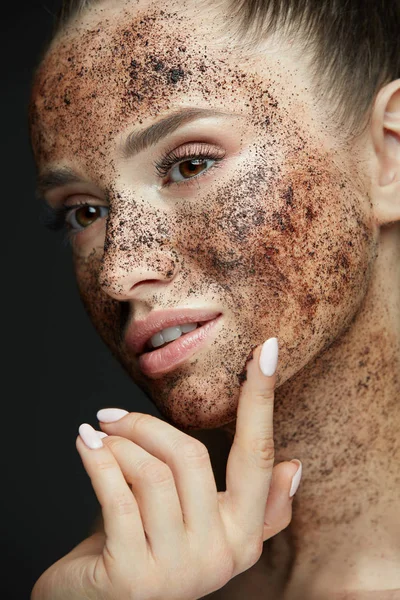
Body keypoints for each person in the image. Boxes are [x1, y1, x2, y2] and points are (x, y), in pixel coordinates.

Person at [29, 0, 400, 597]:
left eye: (190, 163)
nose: (118, 272)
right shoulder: (135, 566)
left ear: (390, 154)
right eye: (86, 211)